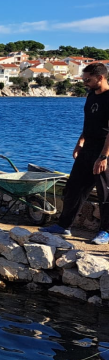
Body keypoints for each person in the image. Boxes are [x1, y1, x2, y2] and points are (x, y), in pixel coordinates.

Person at [40, 62, 109, 244]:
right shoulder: (91, 96)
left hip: (105, 149)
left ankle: (105, 231)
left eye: (88, 79)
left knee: (105, 192)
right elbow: (89, 122)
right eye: (83, 79)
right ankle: (64, 226)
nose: (85, 82)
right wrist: (80, 142)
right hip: (88, 147)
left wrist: (104, 156)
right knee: (74, 187)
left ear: (100, 78)